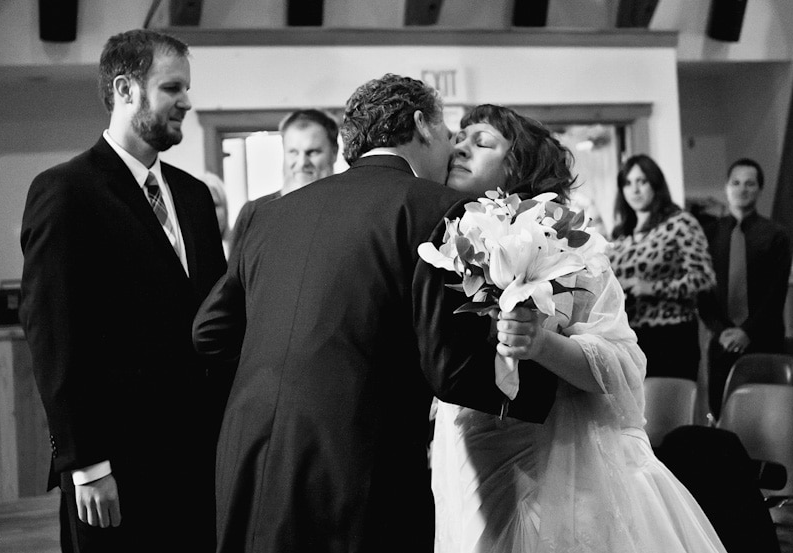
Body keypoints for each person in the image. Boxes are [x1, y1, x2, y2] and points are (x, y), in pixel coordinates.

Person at [191, 75, 559, 553]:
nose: (451, 145)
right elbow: (451, 369)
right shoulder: (437, 208)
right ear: (422, 125)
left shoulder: (273, 214)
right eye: (448, 130)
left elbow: (209, 333)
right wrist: (546, 386)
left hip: (247, 451)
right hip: (356, 462)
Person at [432, 104, 727, 552]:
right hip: (465, 451)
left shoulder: (570, 251)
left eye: (481, 141)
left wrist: (542, 343)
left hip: (552, 467)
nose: (460, 146)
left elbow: (623, 366)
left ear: (517, 166)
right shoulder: (445, 241)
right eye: (459, 137)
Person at [19, 29, 227, 553]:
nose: (187, 101)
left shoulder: (195, 197)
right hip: (115, 464)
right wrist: (85, 463)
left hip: (198, 458)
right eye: (172, 88)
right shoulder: (66, 192)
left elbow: (216, 319)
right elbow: (54, 338)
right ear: (125, 89)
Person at [609, 154, 716, 380]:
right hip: (629, 336)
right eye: (627, 183)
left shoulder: (680, 223)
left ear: (656, 184)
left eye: (642, 181)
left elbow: (704, 278)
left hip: (671, 335)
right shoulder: (619, 233)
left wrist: (652, 288)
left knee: (669, 412)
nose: (634, 190)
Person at [699, 158, 791, 417]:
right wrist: (722, 331)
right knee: (723, 414)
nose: (742, 189)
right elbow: (702, 293)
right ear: (726, 188)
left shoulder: (776, 235)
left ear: (759, 189)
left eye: (750, 183)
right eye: (735, 182)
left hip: (763, 340)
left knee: (766, 416)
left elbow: (776, 294)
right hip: (722, 343)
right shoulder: (708, 235)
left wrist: (746, 332)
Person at [228, 108, 339, 253]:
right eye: (293, 152)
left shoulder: (351, 212)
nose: (301, 162)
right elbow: (234, 274)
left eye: (312, 152)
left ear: (334, 152)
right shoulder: (254, 214)